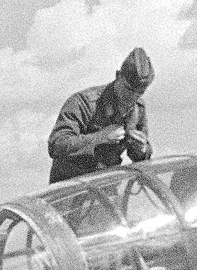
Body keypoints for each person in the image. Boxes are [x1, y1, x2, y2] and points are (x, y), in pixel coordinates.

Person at [47, 47, 155, 184]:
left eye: (139, 92)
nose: (132, 97)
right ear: (118, 76)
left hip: (105, 189)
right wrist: (101, 137)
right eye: (128, 90)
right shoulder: (83, 103)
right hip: (69, 189)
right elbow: (57, 145)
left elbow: (142, 157)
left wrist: (142, 149)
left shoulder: (137, 109)